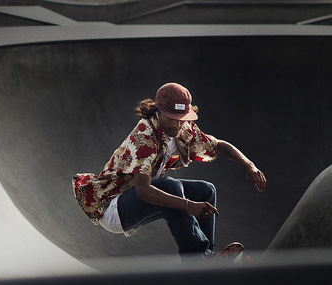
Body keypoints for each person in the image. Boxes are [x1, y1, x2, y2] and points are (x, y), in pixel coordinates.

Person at [72, 82, 266, 261]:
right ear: (158, 111)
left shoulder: (183, 129)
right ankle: (199, 260)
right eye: (171, 119)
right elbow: (143, 190)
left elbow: (219, 146)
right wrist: (187, 205)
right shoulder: (145, 136)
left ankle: (208, 263)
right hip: (115, 208)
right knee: (171, 186)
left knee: (206, 190)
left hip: (133, 200)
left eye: (181, 120)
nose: (176, 125)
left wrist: (249, 165)